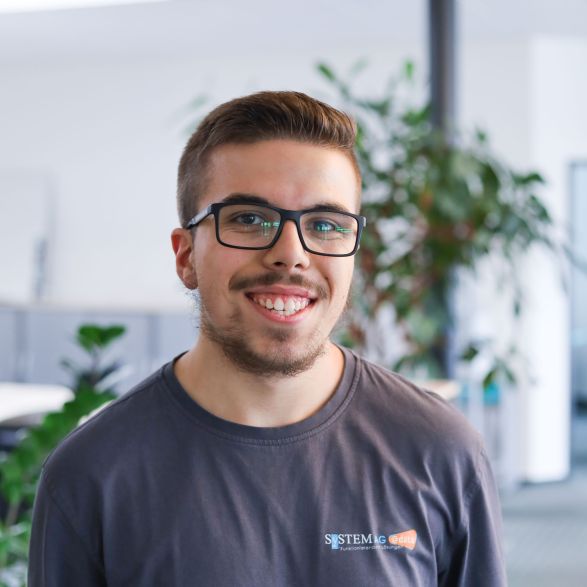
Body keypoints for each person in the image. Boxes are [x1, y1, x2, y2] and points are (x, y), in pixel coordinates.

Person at [28, 91, 506, 586]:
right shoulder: (92, 475)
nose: (291, 254)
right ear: (186, 256)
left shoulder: (439, 450)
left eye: (325, 224)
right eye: (249, 219)